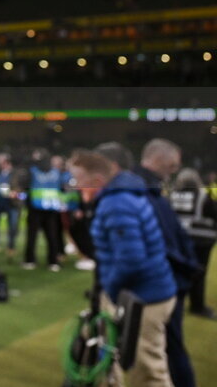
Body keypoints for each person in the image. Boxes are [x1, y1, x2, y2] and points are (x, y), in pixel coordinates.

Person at [69, 150, 177, 387]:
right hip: (140, 292)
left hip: (145, 297)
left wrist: (110, 289)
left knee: (147, 370)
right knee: (111, 361)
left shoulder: (116, 204)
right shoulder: (121, 196)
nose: (75, 186)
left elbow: (131, 260)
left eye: (78, 180)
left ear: (97, 181)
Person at [131, 139, 198, 387]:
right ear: (158, 160)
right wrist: (186, 268)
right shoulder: (143, 191)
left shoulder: (150, 189)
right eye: (171, 166)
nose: (173, 171)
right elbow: (162, 243)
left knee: (162, 350)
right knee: (164, 351)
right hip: (162, 283)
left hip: (164, 281)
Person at [170, 168, 216, 320]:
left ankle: (176, 302)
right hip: (202, 240)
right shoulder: (203, 196)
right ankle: (197, 306)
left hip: (178, 239)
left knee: (177, 270)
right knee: (198, 273)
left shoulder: (172, 195)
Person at [23, 149, 64, 271]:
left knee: (32, 236)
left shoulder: (32, 172)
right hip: (51, 208)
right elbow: (61, 189)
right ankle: (53, 261)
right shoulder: (56, 173)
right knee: (52, 236)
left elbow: (26, 188)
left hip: (35, 209)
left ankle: (30, 260)